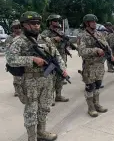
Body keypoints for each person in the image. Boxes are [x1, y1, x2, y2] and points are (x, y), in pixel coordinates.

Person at [5, 11, 68, 141]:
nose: (36, 26)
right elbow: (10, 59)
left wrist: (63, 69)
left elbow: (56, 55)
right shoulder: (19, 41)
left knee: (44, 108)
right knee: (31, 111)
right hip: (30, 81)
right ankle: (32, 137)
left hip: (47, 79)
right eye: (33, 23)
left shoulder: (46, 39)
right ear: (24, 25)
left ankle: (41, 132)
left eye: (38, 23)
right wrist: (31, 59)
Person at [77, 14, 110, 117]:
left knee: (98, 85)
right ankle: (91, 107)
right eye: (92, 22)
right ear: (87, 23)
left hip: (99, 64)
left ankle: (97, 104)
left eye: (95, 22)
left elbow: (107, 46)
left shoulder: (99, 34)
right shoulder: (82, 36)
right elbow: (81, 51)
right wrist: (95, 50)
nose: (95, 23)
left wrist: (111, 55)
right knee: (90, 87)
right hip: (89, 65)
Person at [5, 19, 22, 96]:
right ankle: (17, 91)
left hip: (24, 59)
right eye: (15, 27)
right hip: (15, 60)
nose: (18, 29)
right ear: (12, 28)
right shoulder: (10, 37)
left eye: (19, 27)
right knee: (16, 77)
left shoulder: (24, 36)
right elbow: (8, 48)